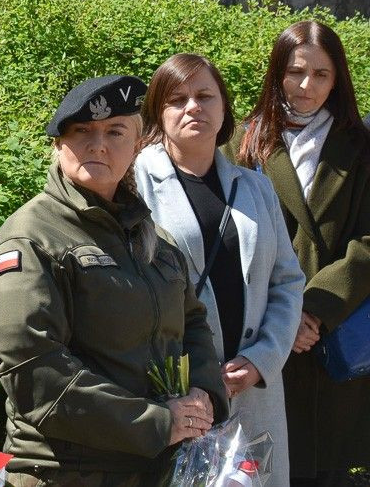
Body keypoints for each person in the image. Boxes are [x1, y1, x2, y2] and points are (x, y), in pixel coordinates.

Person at [0, 76, 227, 485]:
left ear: (137, 144)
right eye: (82, 132)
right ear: (58, 144)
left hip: (158, 469)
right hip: (70, 473)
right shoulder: (30, 238)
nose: (98, 145)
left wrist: (203, 392)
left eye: (115, 132)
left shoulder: (154, 239)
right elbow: (35, 371)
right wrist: (156, 422)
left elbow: (193, 322)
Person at [134, 54, 304, 487]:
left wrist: (262, 359)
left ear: (224, 108)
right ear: (158, 112)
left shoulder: (255, 187)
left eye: (205, 96)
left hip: (253, 390)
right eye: (178, 99)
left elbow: (287, 281)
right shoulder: (133, 185)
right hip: (181, 393)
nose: (194, 107)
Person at [225, 20, 370, 486]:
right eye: (295, 72)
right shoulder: (244, 140)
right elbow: (228, 236)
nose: (307, 86)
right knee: (265, 463)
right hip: (263, 330)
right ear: (276, 73)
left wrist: (315, 309)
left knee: (328, 463)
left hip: (333, 327)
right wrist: (284, 317)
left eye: (321, 75)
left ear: (338, 79)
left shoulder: (362, 144)